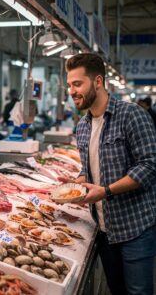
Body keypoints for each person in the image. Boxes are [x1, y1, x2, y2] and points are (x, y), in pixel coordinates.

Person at [66, 53, 156, 295]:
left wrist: (105, 191)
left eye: (77, 84)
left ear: (97, 81)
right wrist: (76, 183)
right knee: (116, 290)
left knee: (138, 292)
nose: (72, 91)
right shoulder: (83, 126)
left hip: (135, 228)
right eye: (69, 85)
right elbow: (89, 169)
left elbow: (149, 166)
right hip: (104, 230)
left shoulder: (132, 115)